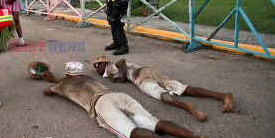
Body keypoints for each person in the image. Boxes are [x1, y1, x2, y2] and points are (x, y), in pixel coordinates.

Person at [41, 62, 227, 138]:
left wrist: (51, 78)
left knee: (131, 131)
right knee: (154, 122)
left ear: (67, 75)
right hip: (119, 95)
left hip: (101, 104)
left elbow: (47, 91)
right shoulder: (88, 77)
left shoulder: (63, 85)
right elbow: (75, 80)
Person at [92, 55, 234, 122]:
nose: (96, 69)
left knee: (161, 94)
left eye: (97, 65)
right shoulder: (109, 69)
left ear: (104, 63)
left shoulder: (109, 68)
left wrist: (122, 79)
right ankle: (223, 96)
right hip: (147, 70)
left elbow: (121, 61)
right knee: (180, 87)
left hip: (139, 77)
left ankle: (189, 108)